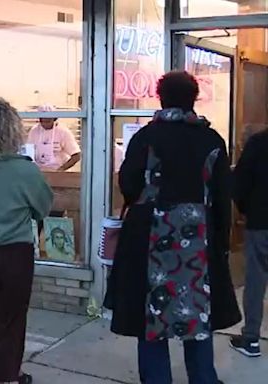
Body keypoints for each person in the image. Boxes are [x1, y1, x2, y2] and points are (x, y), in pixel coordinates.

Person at [104, 71, 240, 384]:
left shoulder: (146, 137)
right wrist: (221, 241)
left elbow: (128, 183)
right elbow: (222, 195)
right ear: (194, 98)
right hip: (198, 243)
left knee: (151, 320)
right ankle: (203, 378)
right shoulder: (211, 139)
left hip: (150, 239)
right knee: (198, 313)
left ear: (160, 97)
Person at [0, 97, 53, 384]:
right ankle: (3, 378)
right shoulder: (25, 170)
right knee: (11, 322)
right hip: (14, 253)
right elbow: (43, 207)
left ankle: (9, 372)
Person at [229, 128, 268, 357]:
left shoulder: (258, 143)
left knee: (256, 279)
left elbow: (240, 184)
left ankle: (251, 338)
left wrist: (246, 210)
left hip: (261, 221)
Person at [27, 104, 81, 171]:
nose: (45, 124)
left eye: (48, 121)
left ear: (54, 119)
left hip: (58, 172)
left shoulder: (63, 132)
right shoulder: (34, 131)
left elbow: (76, 155)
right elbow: (28, 152)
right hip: (39, 172)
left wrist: (61, 169)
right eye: (42, 121)